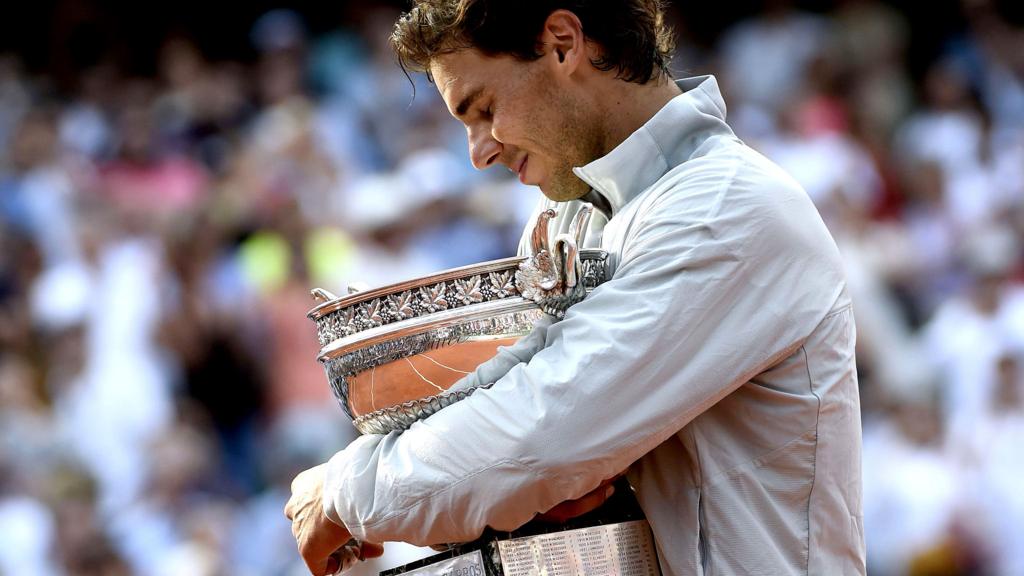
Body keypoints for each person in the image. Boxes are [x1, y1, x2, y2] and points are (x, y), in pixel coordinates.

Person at [285, 2, 866, 575]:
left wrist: (344, 492)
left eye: (484, 109)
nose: (480, 152)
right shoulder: (568, 216)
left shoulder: (727, 207)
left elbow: (536, 438)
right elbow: (506, 429)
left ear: (563, 42)